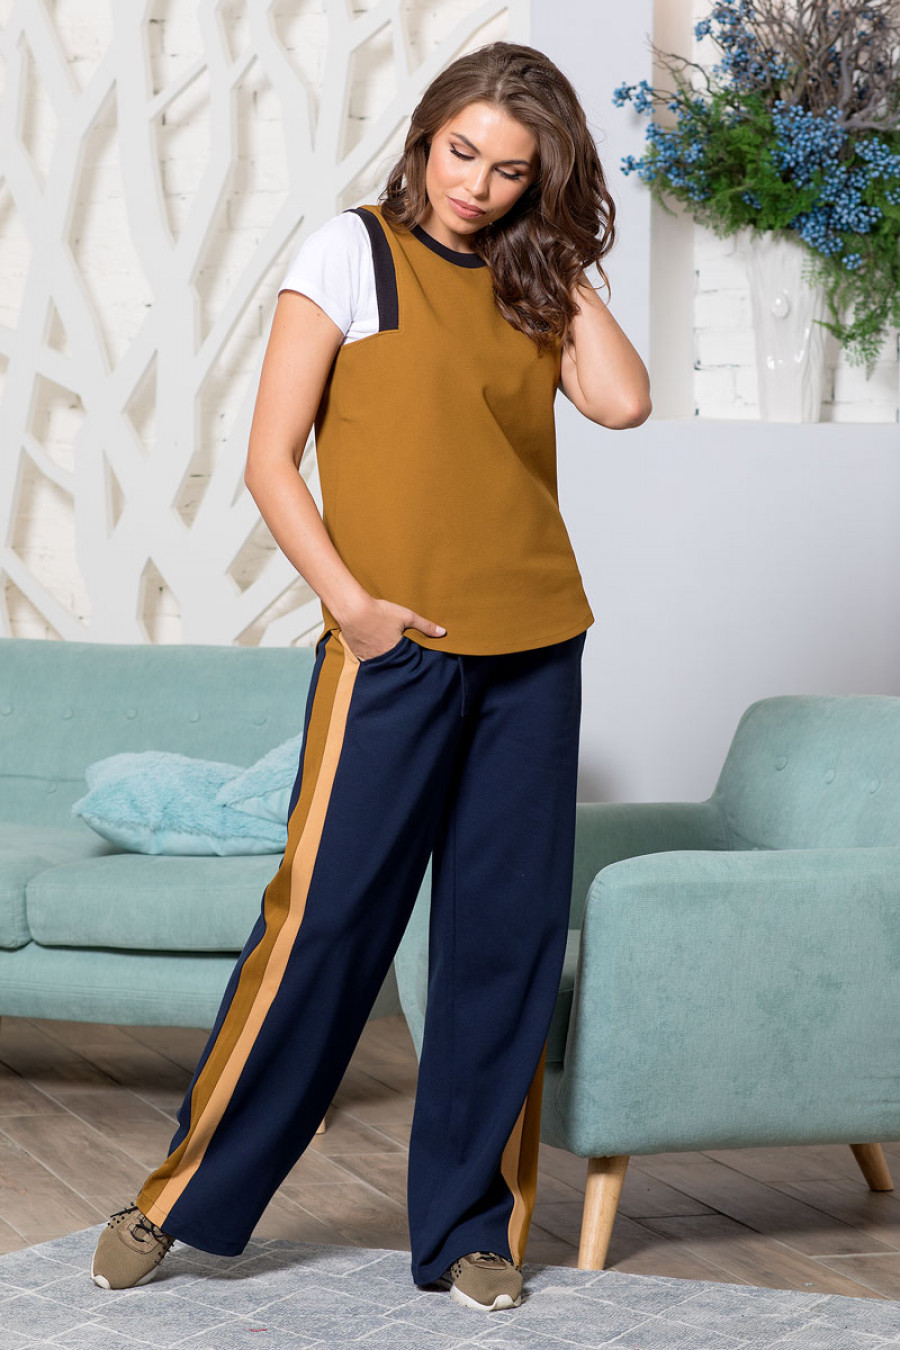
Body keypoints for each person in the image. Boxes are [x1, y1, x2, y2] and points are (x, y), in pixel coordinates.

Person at [89, 39, 651, 1314]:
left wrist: (562, 253)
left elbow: (621, 402)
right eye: (462, 152)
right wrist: (354, 610)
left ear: (541, 179)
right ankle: (181, 1196)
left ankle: (469, 1233)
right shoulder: (351, 254)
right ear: (423, 137)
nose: (476, 185)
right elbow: (270, 458)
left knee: (501, 947)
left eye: (511, 170)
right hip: (395, 652)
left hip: (536, 649)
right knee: (323, 928)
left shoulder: (531, 277)